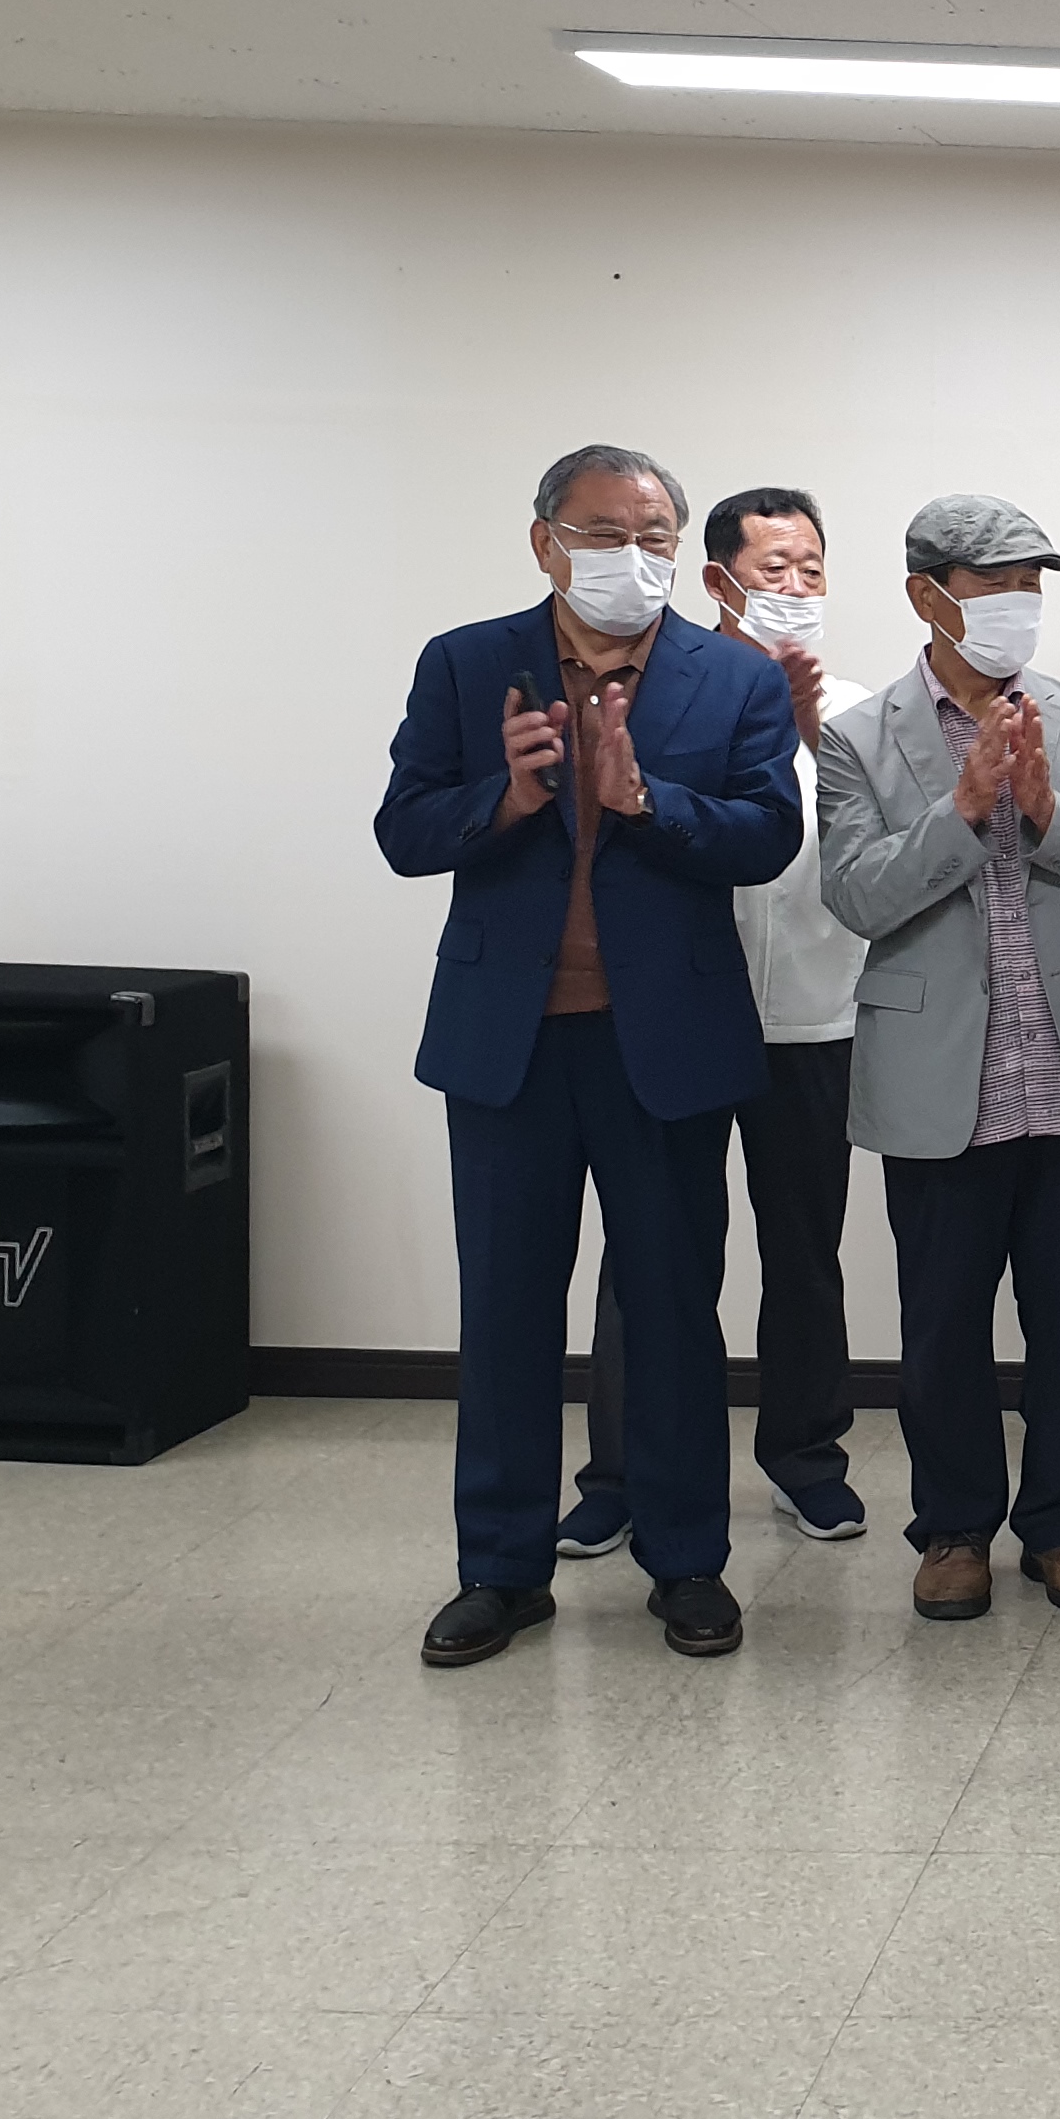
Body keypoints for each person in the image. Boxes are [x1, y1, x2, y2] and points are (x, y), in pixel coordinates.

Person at [374, 444, 800, 1668]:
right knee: (506, 1311)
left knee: (673, 1310)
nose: (634, 557)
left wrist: (648, 803)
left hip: (664, 1045)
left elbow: (768, 837)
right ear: (546, 543)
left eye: (654, 536)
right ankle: (501, 1571)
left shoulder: (735, 677)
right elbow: (403, 830)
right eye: (606, 535)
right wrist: (504, 801)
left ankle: (687, 1561)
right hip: (505, 1046)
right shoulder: (467, 665)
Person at [817, 494, 1060, 1626]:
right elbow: (856, 897)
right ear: (927, 595)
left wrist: (1046, 811)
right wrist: (961, 811)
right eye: (995, 583)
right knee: (942, 1325)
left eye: (1032, 583)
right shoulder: (858, 737)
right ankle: (955, 1528)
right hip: (939, 1077)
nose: (1020, 604)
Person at [560, 488, 880, 1555]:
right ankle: (620, 1473)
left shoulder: (858, 712)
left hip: (817, 1018)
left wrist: (811, 739)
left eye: (811, 568)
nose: (797, 587)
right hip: (678, 1014)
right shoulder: (660, 697)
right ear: (717, 580)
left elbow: (881, 857)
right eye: (773, 568)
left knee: (805, 1251)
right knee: (650, 1255)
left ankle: (807, 1458)